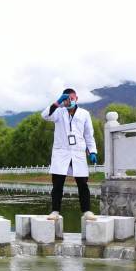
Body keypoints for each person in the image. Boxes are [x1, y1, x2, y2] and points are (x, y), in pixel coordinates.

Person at [41, 88, 98, 220]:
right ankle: (55, 211)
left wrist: (93, 151)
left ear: (76, 98)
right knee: (58, 184)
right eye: (66, 99)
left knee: (83, 184)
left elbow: (89, 135)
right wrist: (57, 103)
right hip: (61, 152)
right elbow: (44, 115)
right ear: (63, 100)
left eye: (71, 98)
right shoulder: (58, 112)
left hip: (78, 152)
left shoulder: (84, 114)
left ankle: (87, 211)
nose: (69, 101)